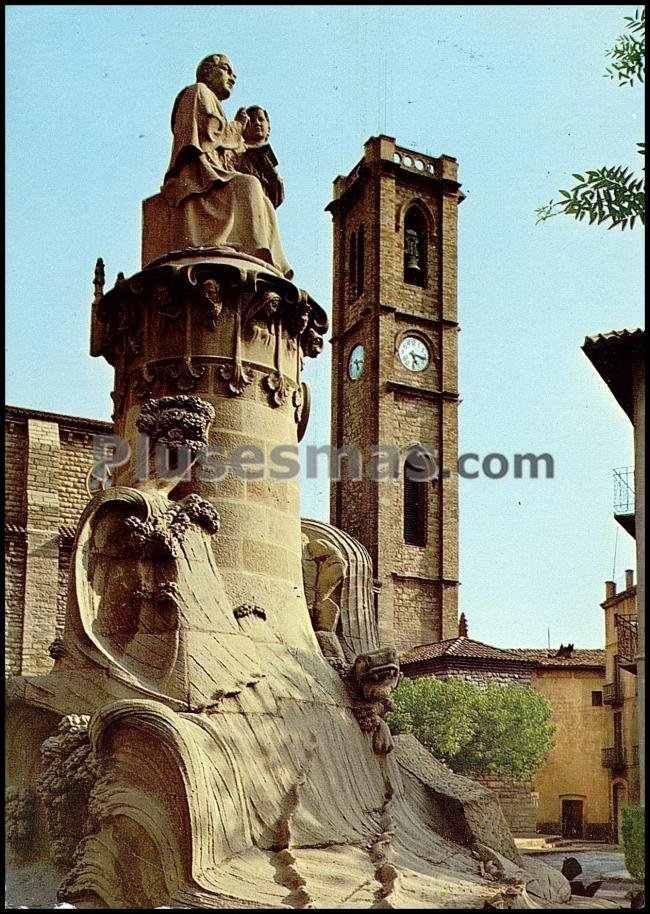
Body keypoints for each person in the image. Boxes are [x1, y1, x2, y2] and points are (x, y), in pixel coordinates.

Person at [162, 54, 292, 277]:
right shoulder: (198, 92)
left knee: (265, 203)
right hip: (199, 176)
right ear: (208, 71)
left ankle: (263, 261)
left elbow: (226, 149)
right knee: (249, 185)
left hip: (215, 175)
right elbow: (210, 134)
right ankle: (251, 252)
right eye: (226, 70)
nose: (233, 77)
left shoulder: (211, 100)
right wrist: (238, 126)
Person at [236, 106, 285, 209]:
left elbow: (277, 197)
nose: (257, 123)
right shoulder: (238, 153)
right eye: (252, 120)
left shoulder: (267, 158)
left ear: (268, 128)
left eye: (261, 119)